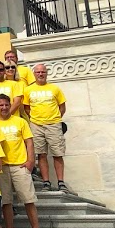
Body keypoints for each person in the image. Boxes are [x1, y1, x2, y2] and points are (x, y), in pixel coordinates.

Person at [0, 94, 43, 228]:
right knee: (6, 202)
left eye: (7, 104)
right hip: (2, 167)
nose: (4, 107)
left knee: (28, 199)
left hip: (20, 165)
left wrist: (31, 161)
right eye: (1, 105)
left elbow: (29, 142)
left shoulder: (20, 122)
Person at [22, 63, 68, 191]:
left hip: (54, 124)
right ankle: (46, 182)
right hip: (36, 125)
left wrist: (54, 118)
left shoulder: (55, 88)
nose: (40, 74)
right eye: (38, 72)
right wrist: (36, 119)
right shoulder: (28, 90)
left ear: (46, 73)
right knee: (41, 154)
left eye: (43, 72)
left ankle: (61, 182)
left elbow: (62, 107)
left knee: (57, 154)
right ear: (34, 74)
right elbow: (27, 108)